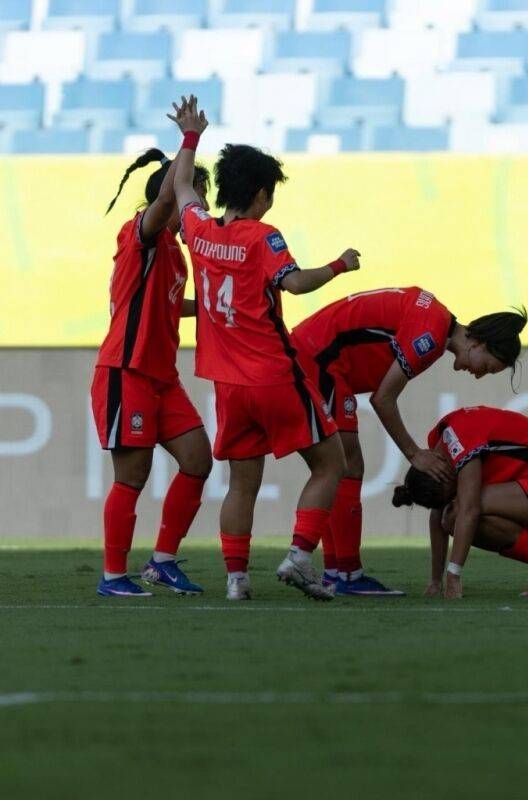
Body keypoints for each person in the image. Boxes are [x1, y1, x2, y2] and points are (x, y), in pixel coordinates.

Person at [170, 96, 361, 601]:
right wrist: (340, 265)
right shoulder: (263, 238)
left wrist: (190, 137)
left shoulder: (200, 230)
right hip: (275, 377)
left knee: (241, 483)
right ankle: (299, 556)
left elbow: (184, 185)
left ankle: (236, 580)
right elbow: (294, 284)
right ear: (260, 194)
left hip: (227, 386)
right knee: (331, 464)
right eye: (269, 194)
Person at [291, 288, 527, 596]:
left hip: (319, 355)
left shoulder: (435, 320)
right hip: (320, 358)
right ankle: (345, 574)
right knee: (346, 467)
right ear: (478, 342)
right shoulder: (429, 335)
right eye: (487, 366)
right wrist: (415, 454)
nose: (480, 375)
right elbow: (383, 399)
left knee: (344, 467)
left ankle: (338, 573)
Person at [91, 99, 213, 597]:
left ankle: (162, 561)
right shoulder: (141, 232)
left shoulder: (174, 252)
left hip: (163, 377)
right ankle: (112, 575)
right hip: (127, 371)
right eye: (194, 197)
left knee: (198, 459)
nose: (198, 208)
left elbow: (165, 303)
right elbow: (167, 200)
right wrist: (190, 140)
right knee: (134, 474)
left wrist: (210, 309)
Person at [392, 405, 528, 598]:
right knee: (454, 514)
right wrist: (435, 581)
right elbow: (440, 515)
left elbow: (467, 510)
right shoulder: (440, 448)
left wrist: (453, 576)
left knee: (460, 512)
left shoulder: (459, 440)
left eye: (452, 490)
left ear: (443, 472)